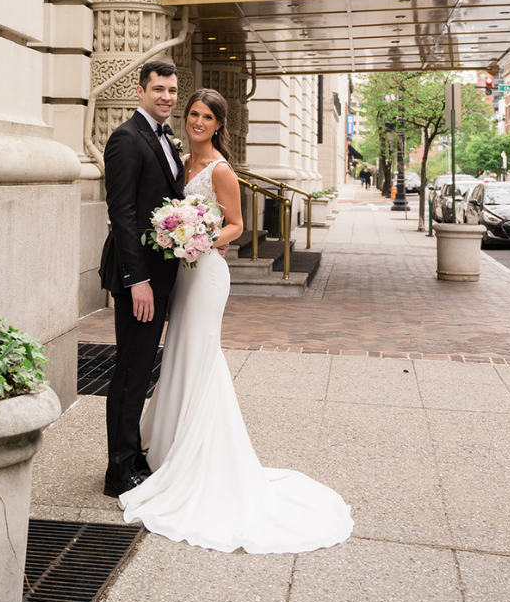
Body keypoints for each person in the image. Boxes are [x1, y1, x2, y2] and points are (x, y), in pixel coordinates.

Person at [119, 88, 353, 553]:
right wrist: (177, 237)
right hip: (180, 273)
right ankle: (167, 449)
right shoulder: (179, 161)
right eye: (193, 114)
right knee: (179, 353)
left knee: (200, 353)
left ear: (219, 124)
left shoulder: (221, 170)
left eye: (207, 117)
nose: (198, 122)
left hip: (205, 272)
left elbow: (237, 226)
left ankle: (202, 459)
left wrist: (198, 238)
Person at [99, 62, 184, 498]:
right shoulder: (126, 139)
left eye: (172, 90)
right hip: (140, 280)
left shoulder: (164, 137)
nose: (167, 96)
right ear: (140, 90)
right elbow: (123, 216)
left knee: (141, 369)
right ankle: (118, 471)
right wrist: (137, 280)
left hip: (161, 276)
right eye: (158, 89)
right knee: (131, 372)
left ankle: (132, 457)